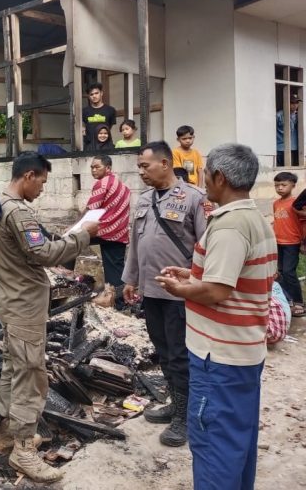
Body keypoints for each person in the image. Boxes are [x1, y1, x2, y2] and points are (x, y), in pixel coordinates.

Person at [155, 143, 277, 490]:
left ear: (220, 178)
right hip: (243, 352)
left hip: (218, 359)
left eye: (206, 173)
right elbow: (228, 279)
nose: (203, 179)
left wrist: (180, 290)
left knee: (213, 446)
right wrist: (191, 274)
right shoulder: (253, 218)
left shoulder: (229, 226)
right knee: (237, 441)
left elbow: (217, 291)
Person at [0, 152, 97, 483]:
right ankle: (23, 451)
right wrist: (84, 234)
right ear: (29, 176)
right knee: (31, 376)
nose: (43, 190)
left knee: (12, 368)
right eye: (42, 182)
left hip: (10, 300)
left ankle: (5, 433)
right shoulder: (17, 212)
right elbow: (44, 254)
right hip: (24, 306)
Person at [122, 141, 209, 447]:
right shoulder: (144, 200)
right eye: (139, 167)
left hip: (180, 294)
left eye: (145, 166)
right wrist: (130, 279)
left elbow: (205, 247)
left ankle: (185, 417)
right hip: (151, 290)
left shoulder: (194, 198)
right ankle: (176, 403)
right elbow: (134, 243)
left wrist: (197, 284)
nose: (141, 171)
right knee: (163, 351)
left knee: (180, 355)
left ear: (164, 163)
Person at [86, 155, 131, 309]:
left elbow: (91, 210)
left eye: (97, 166)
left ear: (108, 168)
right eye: (92, 167)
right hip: (119, 233)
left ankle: (67, 279)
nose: (93, 170)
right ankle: (121, 305)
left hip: (102, 230)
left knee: (68, 243)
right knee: (115, 270)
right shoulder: (123, 187)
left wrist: (73, 227)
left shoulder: (102, 184)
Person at [272, 171, 305, 317]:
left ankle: (298, 302)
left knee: (289, 272)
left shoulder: (296, 204)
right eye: (277, 185)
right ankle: (287, 299)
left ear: (293, 186)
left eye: (283, 185)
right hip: (278, 242)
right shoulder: (276, 203)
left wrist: (303, 243)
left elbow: (302, 224)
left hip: (292, 243)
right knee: (280, 272)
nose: (280, 188)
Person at [82, 83, 116, 148]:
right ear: (89, 96)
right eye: (91, 94)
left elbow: (110, 127)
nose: (94, 96)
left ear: (101, 93)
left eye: (96, 93)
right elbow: (83, 126)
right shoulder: (84, 111)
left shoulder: (110, 110)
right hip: (89, 146)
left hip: (106, 145)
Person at [276, 93, 301, 166]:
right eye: (292, 103)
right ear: (287, 103)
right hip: (280, 147)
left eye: (297, 103)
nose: (295, 105)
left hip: (294, 147)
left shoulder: (299, 115)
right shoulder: (279, 115)